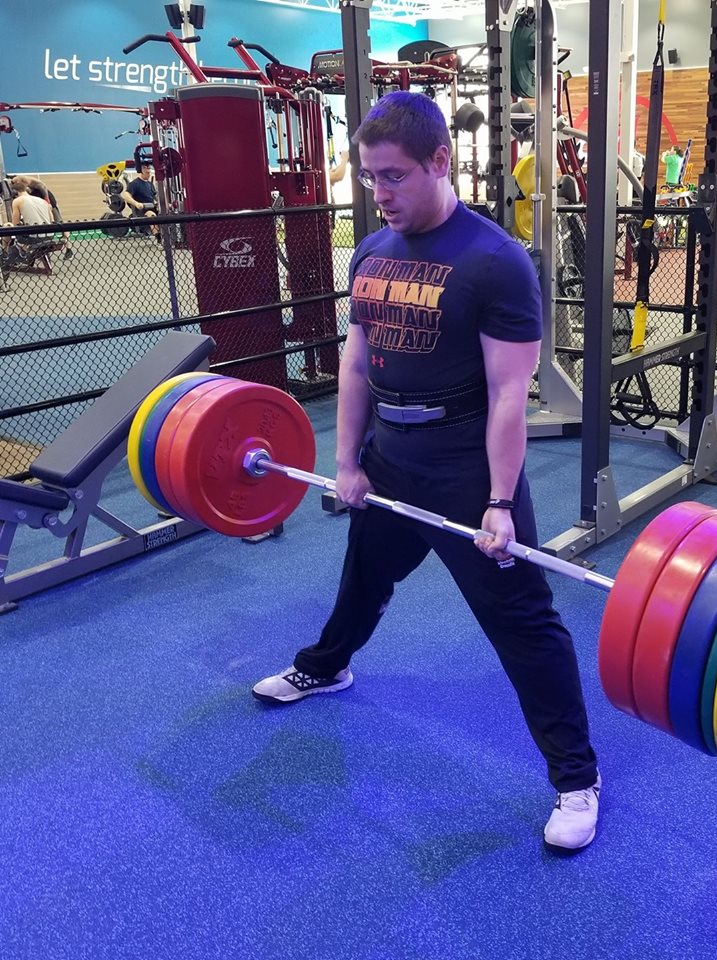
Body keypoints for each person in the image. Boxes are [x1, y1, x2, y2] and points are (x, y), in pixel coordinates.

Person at [253, 91, 601, 852]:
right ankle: (327, 667)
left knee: (523, 622)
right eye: (370, 177)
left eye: (394, 176)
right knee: (364, 579)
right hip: (390, 459)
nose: (380, 193)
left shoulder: (495, 262)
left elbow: (509, 395)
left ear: (440, 162)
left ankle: (577, 777)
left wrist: (500, 502)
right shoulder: (370, 252)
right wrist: (347, 461)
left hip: (466, 473)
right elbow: (355, 364)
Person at [2, 175, 53, 264]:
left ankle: (5, 254)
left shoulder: (17, 201)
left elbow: (15, 224)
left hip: (33, 238)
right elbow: (51, 220)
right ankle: (23, 251)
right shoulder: (43, 201)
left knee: (7, 226)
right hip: (50, 235)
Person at [24, 176, 73, 259]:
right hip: (41, 206)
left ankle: (69, 249)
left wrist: (48, 202)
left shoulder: (34, 186)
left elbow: (42, 187)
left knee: (60, 224)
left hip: (49, 204)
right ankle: (42, 250)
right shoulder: (26, 192)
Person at [121, 164, 160, 239]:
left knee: (165, 213)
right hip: (141, 210)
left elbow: (156, 197)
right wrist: (136, 203)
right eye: (146, 170)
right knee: (151, 215)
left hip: (152, 207)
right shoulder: (134, 184)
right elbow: (126, 195)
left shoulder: (150, 184)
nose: (148, 172)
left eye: (149, 170)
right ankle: (158, 237)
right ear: (141, 170)